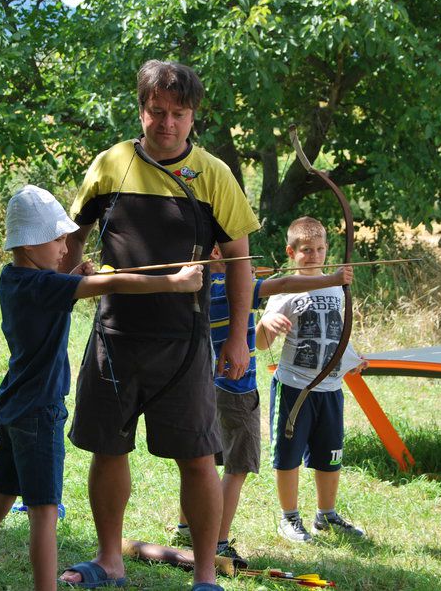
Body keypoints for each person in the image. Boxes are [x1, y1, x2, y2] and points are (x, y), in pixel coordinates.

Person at [59, 60, 260, 591]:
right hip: (114, 336)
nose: (166, 123)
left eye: (178, 113)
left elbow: (240, 262)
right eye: (156, 111)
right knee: (108, 448)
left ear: (193, 117)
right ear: (141, 110)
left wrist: (237, 337)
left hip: (184, 342)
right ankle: (110, 561)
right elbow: (73, 235)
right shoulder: (111, 164)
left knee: (198, 457)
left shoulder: (214, 175)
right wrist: (67, 277)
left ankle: (204, 577)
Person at [0, 185, 203, 591]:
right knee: (44, 511)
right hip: (40, 411)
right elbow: (115, 284)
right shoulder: (45, 286)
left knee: (0, 498)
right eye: (57, 240)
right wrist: (174, 282)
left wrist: (73, 278)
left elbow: (55, 295)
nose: (64, 247)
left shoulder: (15, 278)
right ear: (30, 244)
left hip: (15, 404)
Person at [171, 245, 353, 566]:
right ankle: (218, 542)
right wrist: (333, 279)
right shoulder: (236, 289)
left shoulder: (194, 287)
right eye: (236, 249)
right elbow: (285, 284)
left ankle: (186, 529)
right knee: (237, 467)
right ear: (217, 253)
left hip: (200, 386)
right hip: (235, 388)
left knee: (201, 462)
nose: (246, 257)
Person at [255, 216, 367, 544]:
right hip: (295, 387)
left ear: (327, 249)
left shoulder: (337, 287)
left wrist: (352, 359)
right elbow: (261, 343)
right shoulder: (284, 290)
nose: (314, 256)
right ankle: (289, 518)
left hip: (330, 388)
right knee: (288, 455)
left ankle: (326, 515)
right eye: (306, 250)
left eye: (320, 249)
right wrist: (265, 324)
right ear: (291, 252)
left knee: (330, 455)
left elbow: (336, 332)